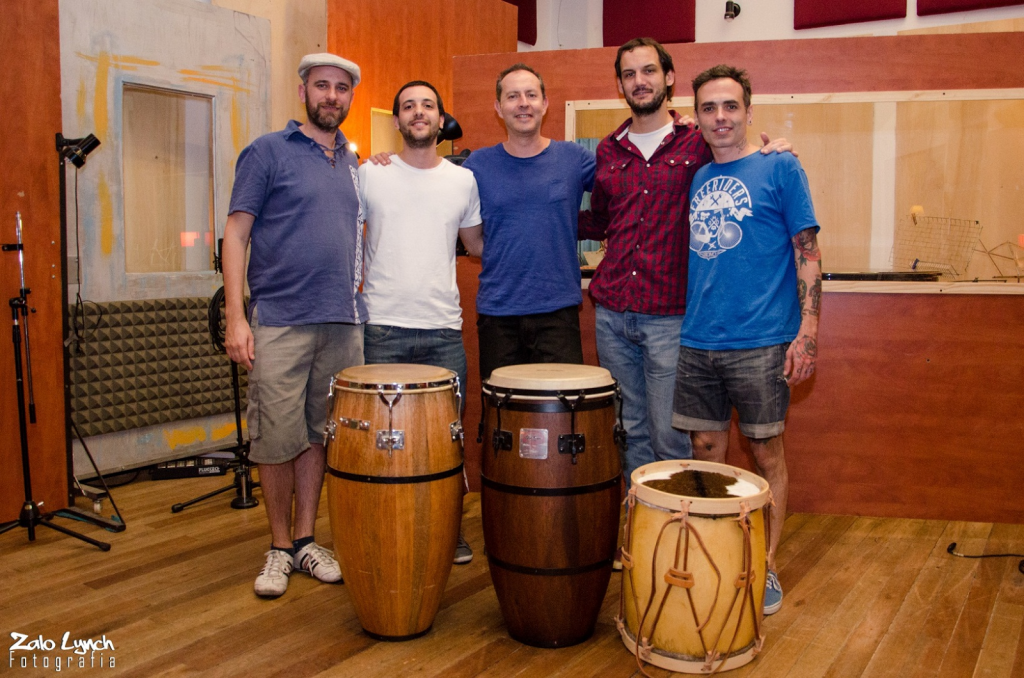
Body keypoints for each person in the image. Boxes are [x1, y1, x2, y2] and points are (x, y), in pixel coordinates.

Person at [581, 38, 792, 486]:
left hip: (671, 316)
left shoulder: (697, 142)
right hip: (612, 313)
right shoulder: (608, 149)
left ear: (669, 77)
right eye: (630, 74)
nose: (640, 81)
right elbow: (600, 220)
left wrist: (780, 151)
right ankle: (644, 530)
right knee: (629, 430)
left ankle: (682, 534)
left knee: (671, 437)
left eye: (649, 71)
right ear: (620, 84)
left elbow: (743, 161)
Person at [673, 64, 822, 616]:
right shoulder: (696, 176)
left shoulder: (779, 166)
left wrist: (807, 332)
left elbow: (808, 252)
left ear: (748, 111)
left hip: (762, 340)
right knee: (705, 452)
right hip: (698, 338)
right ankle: (717, 555)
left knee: (765, 453)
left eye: (730, 106)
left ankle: (765, 566)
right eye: (708, 108)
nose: (720, 117)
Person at [223, 53, 366, 598]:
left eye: (341, 89)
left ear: (350, 97)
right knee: (276, 439)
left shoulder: (355, 164)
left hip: (343, 323)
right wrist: (237, 317)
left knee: (318, 434)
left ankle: (307, 539)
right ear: (303, 90)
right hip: (280, 320)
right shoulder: (267, 152)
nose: (331, 96)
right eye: (322, 86)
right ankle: (279, 547)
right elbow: (235, 235)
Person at [359, 80, 482, 564]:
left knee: (445, 440)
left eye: (427, 105)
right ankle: (383, 529)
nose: (418, 113)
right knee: (380, 442)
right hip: (381, 328)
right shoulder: (371, 174)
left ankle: (448, 531)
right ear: (397, 121)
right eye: (408, 106)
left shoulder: (463, 180)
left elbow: (478, 245)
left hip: (442, 332)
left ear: (440, 118)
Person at [460, 64, 596, 381]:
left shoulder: (574, 158)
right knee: (503, 419)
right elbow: (472, 242)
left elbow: (625, 179)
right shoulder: (477, 165)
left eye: (531, 94)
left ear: (544, 104)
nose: (523, 103)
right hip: (498, 314)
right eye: (513, 96)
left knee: (561, 419)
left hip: (558, 314)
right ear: (498, 107)